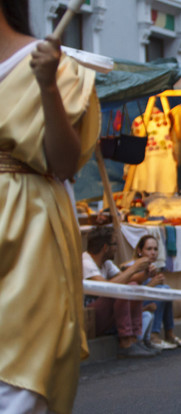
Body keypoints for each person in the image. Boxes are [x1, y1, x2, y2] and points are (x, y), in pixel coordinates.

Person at [0, 1, 101, 411]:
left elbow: (62, 164)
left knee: (22, 383)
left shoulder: (57, 67)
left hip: (30, 231)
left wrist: (47, 85)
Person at [83, 227, 157, 358]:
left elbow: (129, 278)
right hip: (90, 318)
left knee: (132, 285)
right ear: (105, 247)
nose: (116, 248)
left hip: (104, 315)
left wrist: (144, 273)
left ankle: (133, 338)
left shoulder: (107, 263)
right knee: (121, 289)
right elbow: (105, 288)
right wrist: (133, 268)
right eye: (115, 244)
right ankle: (125, 341)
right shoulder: (86, 262)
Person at [124, 235, 181, 350]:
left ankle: (169, 334)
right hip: (134, 306)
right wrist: (152, 284)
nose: (153, 252)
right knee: (162, 291)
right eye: (149, 249)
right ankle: (154, 335)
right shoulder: (131, 267)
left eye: (155, 249)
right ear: (139, 251)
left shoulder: (152, 267)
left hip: (146, 301)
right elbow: (133, 293)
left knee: (166, 290)